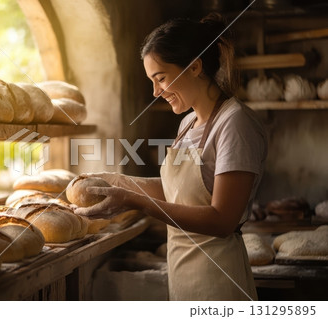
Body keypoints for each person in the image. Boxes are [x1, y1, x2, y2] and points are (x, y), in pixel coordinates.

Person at [74, 13, 267, 301]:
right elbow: (176, 192)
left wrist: (133, 201)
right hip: (183, 276)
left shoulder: (234, 124)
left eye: (160, 78)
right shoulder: (187, 123)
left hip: (220, 281)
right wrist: (116, 182)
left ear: (194, 67)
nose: (156, 92)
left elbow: (221, 220)